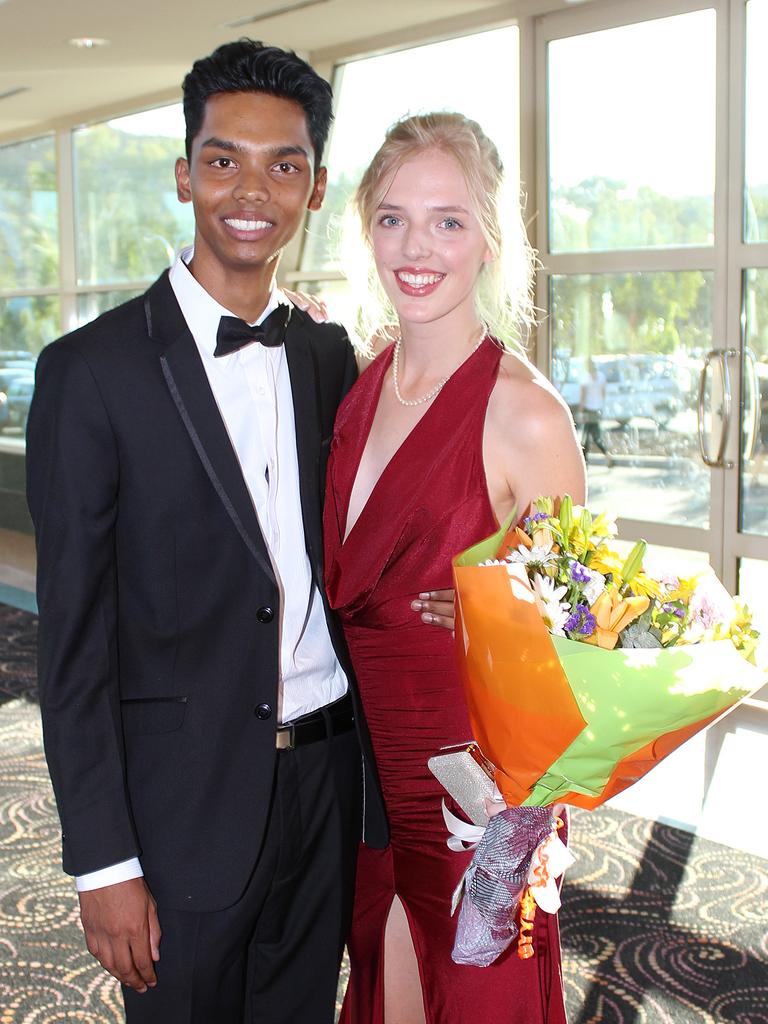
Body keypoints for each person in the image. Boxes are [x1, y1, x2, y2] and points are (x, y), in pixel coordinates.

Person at [25, 40, 449, 1024]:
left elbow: (353, 554)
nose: (250, 189)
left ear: (315, 185)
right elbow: (73, 650)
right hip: (179, 810)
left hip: (329, 786)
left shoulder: (326, 355)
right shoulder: (90, 375)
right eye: (224, 159)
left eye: (283, 164)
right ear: (184, 174)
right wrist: (103, 858)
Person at [324, 112, 587, 1023]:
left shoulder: (526, 416)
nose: (417, 246)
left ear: (489, 239)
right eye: (393, 218)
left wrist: (499, 621)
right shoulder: (360, 390)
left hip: (478, 808)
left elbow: (583, 645)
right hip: (363, 786)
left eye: (448, 220)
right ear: (366, 230)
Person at [579, 356, 613, 466]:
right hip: (597, 409)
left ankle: (585, 462)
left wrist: (580, 411)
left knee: (586, 437)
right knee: (594, 435)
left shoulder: (585, 378)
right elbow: (603, 394)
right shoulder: (601, 377)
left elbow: (583, 397)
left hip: (588, 410)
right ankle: (606, 454)